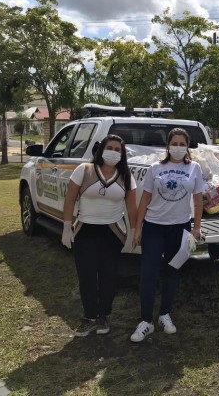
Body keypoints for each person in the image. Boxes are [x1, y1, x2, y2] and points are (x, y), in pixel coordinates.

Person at [130, 128, 206, 342]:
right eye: (175, 143)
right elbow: (144, 200)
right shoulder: (155, 168)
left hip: (179, 228)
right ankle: (146, 321)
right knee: (148, 274)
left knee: (172, 273)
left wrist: (196, 227)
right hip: (154, 227)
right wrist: (138, 228)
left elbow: (198, 201)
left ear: (187, 146)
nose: (178, 147)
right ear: (168, 146)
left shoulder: (195, 168)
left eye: (183, 144)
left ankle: (165, 315)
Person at [62, 134, 137, 336]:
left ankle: (104, 315)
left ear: (122, 155)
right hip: (85, 230)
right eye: (109, 147)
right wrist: (67, 226)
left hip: (112, 233)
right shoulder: (84, 170)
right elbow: (69, 199)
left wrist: (133, 232)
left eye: (117, 150)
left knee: (108, 276)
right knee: (86, 276)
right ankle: (89, 318)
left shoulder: (126, 175)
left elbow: (131, 207)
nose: (112, 152)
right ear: (101, 149)